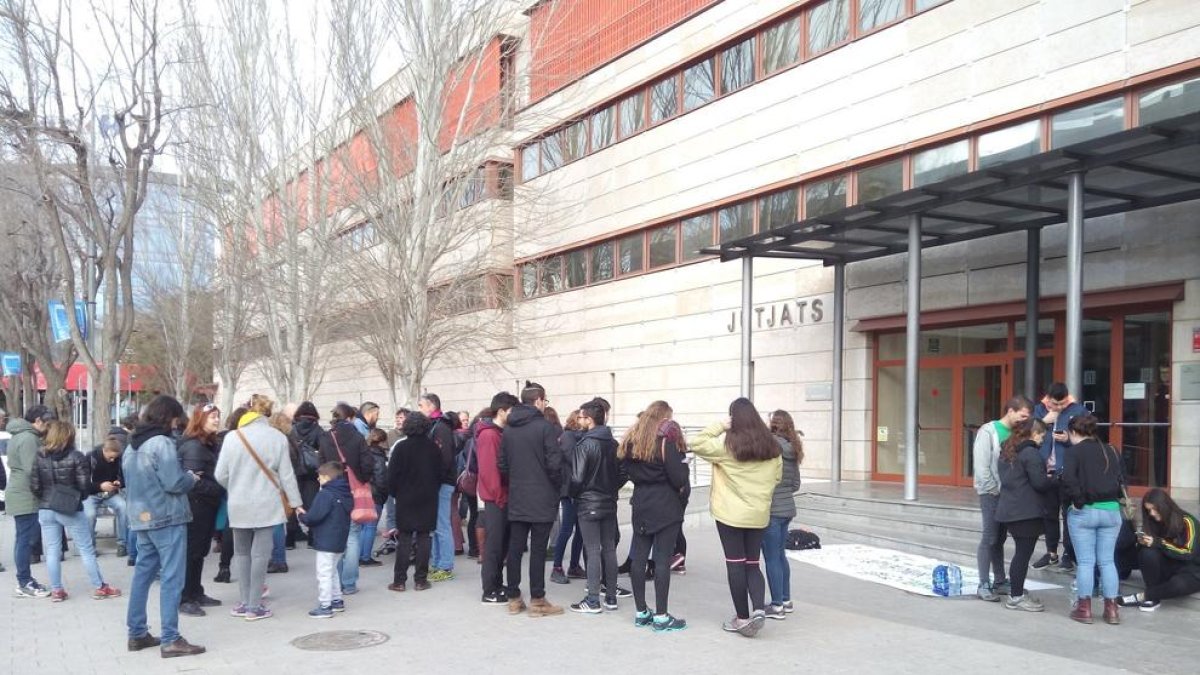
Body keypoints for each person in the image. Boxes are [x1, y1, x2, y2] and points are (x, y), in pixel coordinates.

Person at [689, 397, 782, 638]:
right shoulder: (773, 449)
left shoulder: (726, 449)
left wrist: (720, 425)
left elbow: (696, 443)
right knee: (753, 564)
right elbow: (777, 479)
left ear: (734, 420)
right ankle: (759, 608)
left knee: (735, 565)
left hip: (730, 515)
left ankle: (741, 618)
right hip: (759, 514)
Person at [123, 395, 206, 658]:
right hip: (167, 517)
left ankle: (136, 632)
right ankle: (171, 638)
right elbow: (174, 483)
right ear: (169, 417)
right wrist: (191, 478)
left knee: (143, 576)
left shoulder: (132, 445)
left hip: (141, 518)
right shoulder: (162, 443)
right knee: (172, 578)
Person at [215, 394, 303, 622]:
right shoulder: (277, 437)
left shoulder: (232, 437)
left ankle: (244, 602)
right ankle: (255, 605)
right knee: (260, 555)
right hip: (267, 504)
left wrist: (234, 488)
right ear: (267, 413)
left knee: (242, 553)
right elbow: (286, 476)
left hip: (238, 503)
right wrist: (296, 503)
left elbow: (219, 475)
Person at [30, 420, 121, 603]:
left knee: (52, 550)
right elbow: (84, 486)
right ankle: (99, 587)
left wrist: (47, 497)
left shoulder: (40, 455)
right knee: (86, 549)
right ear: (69, 435)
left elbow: (34, 485)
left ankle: (57, 590)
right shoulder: (76, 456)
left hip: (46, 508)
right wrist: (75, 498)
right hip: (69, 508)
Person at [621, 401, 689, 632]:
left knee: (638, 559)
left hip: (641, 503)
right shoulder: (664, 443)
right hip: (666, 506)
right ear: (663, 418)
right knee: (661, 560)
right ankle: (661, 616)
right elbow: (679, 478)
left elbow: (624, 470)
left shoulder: (631, 443)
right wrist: (685, 465)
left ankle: (641, 612)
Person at [499, 381, 566, 617]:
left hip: (518, 495)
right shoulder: (545, 428)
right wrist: (555, 486)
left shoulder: (508, 429)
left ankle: (514, 598)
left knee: (516, 548)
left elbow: (503, 465)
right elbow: (554, 464)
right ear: (538, 400)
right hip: (542, 495)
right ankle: (538, 599)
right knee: (538, 549)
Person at [1062, 414, 1124, 625]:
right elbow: (1120, 479)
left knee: (1086, 562)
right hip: (1112, 511)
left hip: (1085, 512)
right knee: (1107, 561)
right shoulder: (1111, 450)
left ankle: (1084, 609)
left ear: (1072, 432)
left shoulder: (1073, 453)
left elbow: (1068, 480)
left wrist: (1078, 502)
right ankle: (1112, 609)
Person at [972, 395, 1032, 602]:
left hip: (1008, 494)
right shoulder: (988, 431)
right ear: (1011, 411)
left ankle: (999, 580)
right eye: (1022, 415)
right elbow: (981, 465)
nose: (1024, 420)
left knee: (1000, 538)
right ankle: (983, 583)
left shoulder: (1019, 433)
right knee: (989, 537)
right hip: (991, 493)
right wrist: (992, 489)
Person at [567, 400, 622, 614]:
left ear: (589, 419)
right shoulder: (613, 443)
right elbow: (622, 472)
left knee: (592, 550)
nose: (580, 420)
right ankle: (610, 597)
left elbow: (577, 478)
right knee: (608, 548)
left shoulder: (585, 444)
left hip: (588, 502)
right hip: (608, 502)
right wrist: (611, 488)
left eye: (582, 417)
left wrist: (574, 495)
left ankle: (592, 600)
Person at [995, 418, 1052, 612]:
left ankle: (1016, 592)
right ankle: (1016, 596)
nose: (1043, 440)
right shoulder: (1031, 453)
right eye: (1041, 435)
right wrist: (1053, 480)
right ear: (1033, 434)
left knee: (1020, 554)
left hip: (1010, 510)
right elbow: (1040, 483)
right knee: (1022, 555)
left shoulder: (1007, 451)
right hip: (1026, 512)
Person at [319, 403, 376, 595]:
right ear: (351, 418)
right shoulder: (357, 436)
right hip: (353, 489)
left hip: (333, 490)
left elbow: (321, 465)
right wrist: (363, 479)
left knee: (336, 535)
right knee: (352, 536)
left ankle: (335, 581)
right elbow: (368, 463)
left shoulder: (326, 437)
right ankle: (349, 583)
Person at [1031, 382, 1088, 572]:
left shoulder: (1078, 410)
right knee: (1049, 514)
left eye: (1062, 404)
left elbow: (1089, 440)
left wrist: (1068, 440)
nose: (1059, 407)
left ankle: (1068, 555)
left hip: (1068, 472)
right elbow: (1026, 434)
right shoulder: (1039, 411)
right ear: (1048, 399)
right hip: (1046, 471)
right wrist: (1045, 421)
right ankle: (1051, 552)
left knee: (1068, 514)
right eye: (1056, 404)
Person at [177, 403, 226, 617]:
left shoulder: (208, 443)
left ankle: (196, 591)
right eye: (212, 417)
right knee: (191, 552)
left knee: (200, 551)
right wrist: (218, 489)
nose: (216, 420)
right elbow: (193, 481)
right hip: (195, 505)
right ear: (200, 419)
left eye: (217, 416)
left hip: (206, 504)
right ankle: (185, 597)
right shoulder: (194, 446)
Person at [386, 412, 443, 593]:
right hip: (428, 497)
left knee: (404, 538)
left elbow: (392, 475)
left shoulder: (401, 447)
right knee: (424, 537)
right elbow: (440, 473)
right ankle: (420, 580)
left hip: (405, 497)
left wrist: (395, 493)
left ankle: (399, 581)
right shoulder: (433, 448)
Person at [1118, 488, 1199, 611]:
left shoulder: (1188, 521)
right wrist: (1143, 542)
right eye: (1149, 510)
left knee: (1179, 585)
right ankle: (1153, 595)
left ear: (1165, 506)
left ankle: (1145, 596)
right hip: (1168, 566)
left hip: (1192, 571)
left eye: (1155, 509)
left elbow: (1188, 552)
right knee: (1146, 552)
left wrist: (1159, 543)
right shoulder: (1152, 521)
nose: (1151, 513)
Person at [7, 405, 55, 598]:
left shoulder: (21, 435)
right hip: (24, 494)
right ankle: (24, 582)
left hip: (20, 492)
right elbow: (32, 470)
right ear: (38, 421)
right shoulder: (29, 438)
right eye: (47, 423)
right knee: (25, 540)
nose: (49, 427)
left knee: (23, 539)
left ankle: (24, 580)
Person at [762, 410, 803, 620]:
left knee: (771, 558)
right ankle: (786, 599)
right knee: (780, 556)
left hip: (771, 510)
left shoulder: (770, 447)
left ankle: (776, 605)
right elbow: (796, 484)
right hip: (787, 509)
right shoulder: (793, 448)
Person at [477, 392, 517, 605]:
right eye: (511, 411)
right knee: (494, 546)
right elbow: (489, 472)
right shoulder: (489, 435)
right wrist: (500, 497)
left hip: (503, 497)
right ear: (501, 411)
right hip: (496, 499)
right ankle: (489, 589)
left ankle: (497, 583)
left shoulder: (500, 433)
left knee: (501, 545)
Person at [299, 462, 352, 618]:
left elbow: (314, 517)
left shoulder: (325, 494)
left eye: (320, 476)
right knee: (333, 570)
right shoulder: (345, 492)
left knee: (324, 573)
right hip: (340, 538)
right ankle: (337, 600)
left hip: (326, 539)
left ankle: (325, 605)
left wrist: (301, 516)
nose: (317, 478)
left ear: (327, 477)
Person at [418, 393, 458, 582]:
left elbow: (445, 458)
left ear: (431, 406)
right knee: (435, 525)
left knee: (442, 525)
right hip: (435, 482)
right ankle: (437, 563)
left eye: (421, 405)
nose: (419, 410)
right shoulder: (433, 426)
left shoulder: (441, 427)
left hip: (441, 483)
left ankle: (445, 565)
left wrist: (434, 479)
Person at [550, 409, 585, 585]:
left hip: (577, 490)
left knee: (580, 530)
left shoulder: (578, 436)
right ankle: (557, 567)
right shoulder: (569, 437)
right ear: (575, 419)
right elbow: (575, 461)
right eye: (581, 418)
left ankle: (574, 566)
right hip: (570, 490)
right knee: (567, 529)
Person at [213, 406, 247, 584]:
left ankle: (224, 567)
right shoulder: (249, 439)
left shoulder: (224, 438)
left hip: (228, 485)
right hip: (246, 487)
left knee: (229, 525)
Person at [82, 435, 130, 557]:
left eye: (115, 458)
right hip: (92, 494)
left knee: (123, 507)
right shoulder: (91, 457)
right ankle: (90, 547)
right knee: (89, 515)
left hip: (110, 494)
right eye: (111, 457)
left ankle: (122, 544)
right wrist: (100, 486)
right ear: (105, 450)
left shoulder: (119, 459)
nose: (113, 460)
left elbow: (124, 476)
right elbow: (83, 483)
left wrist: (120, 482)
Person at [290, 402, 325, 546]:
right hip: (311, 472)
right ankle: (312, 538)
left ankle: (290, 539)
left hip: (293, 471)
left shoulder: (291, 429)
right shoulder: (318, 429)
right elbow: (323, 449)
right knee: (311, 504)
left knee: (293, 503)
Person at [360, 428, 390, 567]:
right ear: (382, 441)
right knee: (370, 527)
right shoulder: (378, 456)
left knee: (362, 527)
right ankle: (365, 557)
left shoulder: (363, 452)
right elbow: (381, 478)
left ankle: (359, 555)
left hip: (363, 493)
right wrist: (384, 494)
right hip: (375, 494)